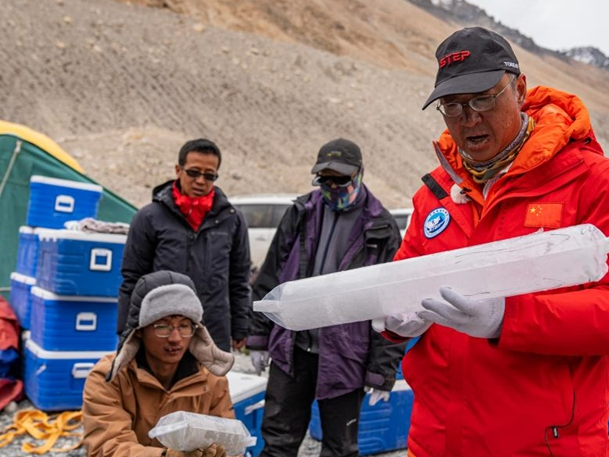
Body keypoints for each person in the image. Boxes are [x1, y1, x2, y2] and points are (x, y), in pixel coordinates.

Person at [374, 27, 609, 456]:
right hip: (437, 441)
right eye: (452, 106)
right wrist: (392, 317)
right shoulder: (435, 195)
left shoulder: (598, 184)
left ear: (520, 89)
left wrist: (510, 319)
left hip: (544, 445)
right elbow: (406, 280)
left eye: (483, 98)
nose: (468, 117)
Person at [247, 138, 406, 457]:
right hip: (293, 347)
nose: (332, 186)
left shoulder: (381, 226)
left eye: (341, 179)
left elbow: (392, 303)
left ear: (360, 174)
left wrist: (382, 370)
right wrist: (259, 336)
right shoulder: (301, 212)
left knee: (339, 447)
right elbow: (271, 274)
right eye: (325, 179)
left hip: (346, 353)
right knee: (278, 439)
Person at [83, 270, 235, 457]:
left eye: (184, 325)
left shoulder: (211, 380)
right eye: (162, 326)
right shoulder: (108, 378)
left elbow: (231, 443)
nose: (175, 338)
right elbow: (106, 448)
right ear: (138, 330)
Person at [117, 139, 251, 352]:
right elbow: (132, 278)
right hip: (162, 329)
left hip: (212, 330)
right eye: (193, 172)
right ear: (178, 170)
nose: (200, 181)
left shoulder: (232, 220)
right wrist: (127, 330)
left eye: (209, 175)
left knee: (208, 385)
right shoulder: (149, 217)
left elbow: (239, 280)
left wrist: (240, 327)